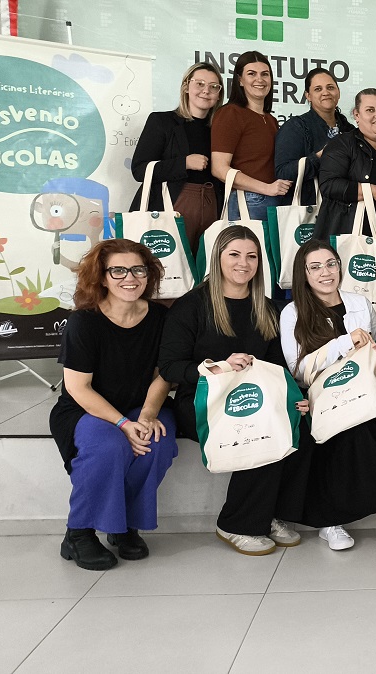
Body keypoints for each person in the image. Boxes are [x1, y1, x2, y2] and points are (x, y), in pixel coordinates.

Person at [158, 226, 307, 555]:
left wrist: (294, 400)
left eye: (252, 256)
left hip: (255, 395)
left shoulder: (269, 309)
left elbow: (277, 368)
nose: (244, 263)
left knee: (299, 424)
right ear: (218, 258)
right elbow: (170, 367)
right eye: (234, 255)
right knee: (256, 427)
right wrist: (218, 367)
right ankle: (236, 523)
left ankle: (272, 514)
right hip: (201, 401)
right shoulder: (191, 306)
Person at [278, 240, 376, 551]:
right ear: (303, 274)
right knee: (341, 422)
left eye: (331, 264)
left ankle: (331, 522)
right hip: (318, 394)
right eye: (315, 267)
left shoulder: (360, 302)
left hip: (363, 387)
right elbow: (299, 370)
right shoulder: (293, 312)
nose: (326, 272)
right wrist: (343, 343)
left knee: (360, 414)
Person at [50, 240, 177, 570]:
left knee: (157, 441)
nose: (130, 278)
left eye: (138, 269)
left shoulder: (161, 318)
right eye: (118, 270)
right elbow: (78, 387)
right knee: (108, 447)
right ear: (102, 278)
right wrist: (123, 424)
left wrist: (147, 415)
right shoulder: (84, 321)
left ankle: (124, 528)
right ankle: (78, 533)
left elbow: (163, 375)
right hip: (85, 408)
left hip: (141, 403)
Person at [314, 89, 376, 304]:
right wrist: (372, 190)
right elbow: (329, 185)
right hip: (356, 244)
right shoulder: (342, 144)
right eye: (370, 110)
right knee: (356, 306)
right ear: (356, 115)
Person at [130, 63, 225, 251]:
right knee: (167, 266)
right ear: (186, 87)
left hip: (213, 205)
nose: (206, 91)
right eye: (200, 84)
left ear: (219, 94)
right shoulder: (162, 121)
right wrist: (184, 163)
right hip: (171, 205)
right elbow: (140, 169)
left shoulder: (221, 130)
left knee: (204, 269)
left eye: (214, 87)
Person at [210, 51, 291, 221]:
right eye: (251, 74)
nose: (259, 79)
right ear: (240, 80)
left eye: (265, 74)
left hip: (275, 201)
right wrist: (267, 188)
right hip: (248, 202)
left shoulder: (271, 120)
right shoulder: (230, 113)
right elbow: (219, 169)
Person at [274, 68, 355, 207]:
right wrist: (318, 157)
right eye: (318, 89)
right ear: (308, 95)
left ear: (338, 92)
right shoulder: (296, 127)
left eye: (330, 87)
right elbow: (283, 173)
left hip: (345, 211)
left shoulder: (350, 131)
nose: (325, 92)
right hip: (310, 212)